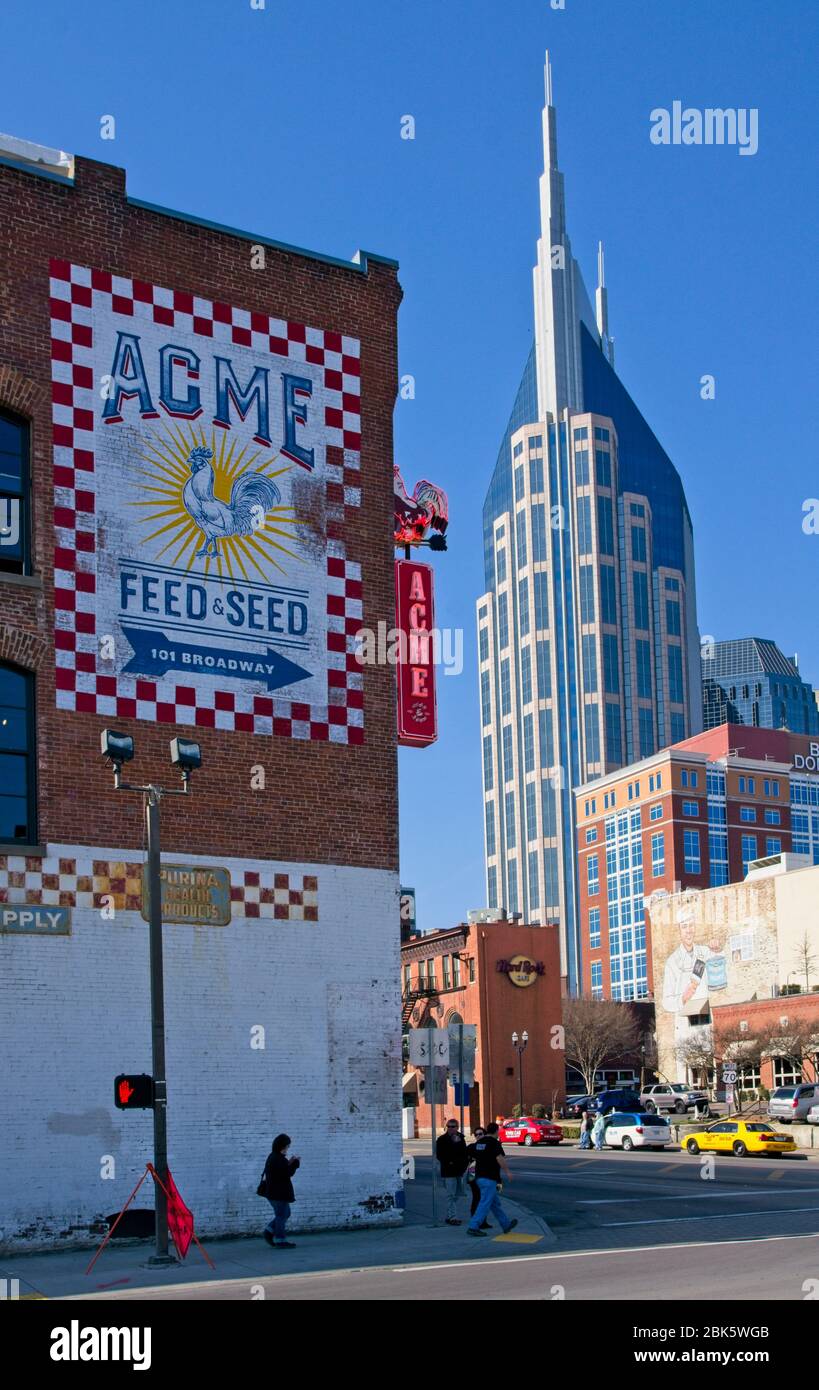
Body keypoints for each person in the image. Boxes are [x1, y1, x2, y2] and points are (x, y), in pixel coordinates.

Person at [467, 1122, 518, 1238]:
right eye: (498, 1130)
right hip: (489, 1178)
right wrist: (508, 1172)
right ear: (496, 1131)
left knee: (494, 1204)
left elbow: (470, 1151)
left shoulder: (480, 1143)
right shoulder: (494, 1143)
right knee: (484, 1203)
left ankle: (506, 1225)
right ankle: (473, 1226)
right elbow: (499, 1158)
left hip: (479, 1178)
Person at [262, 1133, 300, 1248]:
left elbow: (281, 1171)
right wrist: (295, 1164)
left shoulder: (273, 1156)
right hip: (278, 1193)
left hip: (273, 1192)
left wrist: (289, 1163)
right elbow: (287, 1173)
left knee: (284, 1213)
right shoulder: (278, 1158)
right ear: (282, 1146)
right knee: (281, 1215)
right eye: (287, 1146)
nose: (288, 1148)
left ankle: (268, 1231)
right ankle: (280, 1240)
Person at [436, 1118, 470, 1225]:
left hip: (459, 1171)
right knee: (451, 1195)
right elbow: (440, 1155)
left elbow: (464, 1154)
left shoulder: (461, 1138)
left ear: (457, 1127)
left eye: (453, 1126)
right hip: (448, 1171)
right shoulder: (442, 1139)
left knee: (457, 1195)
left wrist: (464, 1167)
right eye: (449, 1126)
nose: (450, 1128)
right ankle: (453, 1217)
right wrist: (453, 1144)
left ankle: (448, 1215)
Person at [465, 1126, 492, 1230]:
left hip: (485, 1174)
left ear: (484, 1134)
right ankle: (475, 1221)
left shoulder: (489, 1146)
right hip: (473, 1174)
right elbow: (465, 1158)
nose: (478, 1136)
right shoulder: (472, 1147)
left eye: (480, 1134)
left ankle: (483, 1221)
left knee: (484, 1199)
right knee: (477, 1197)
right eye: (476, 1134)